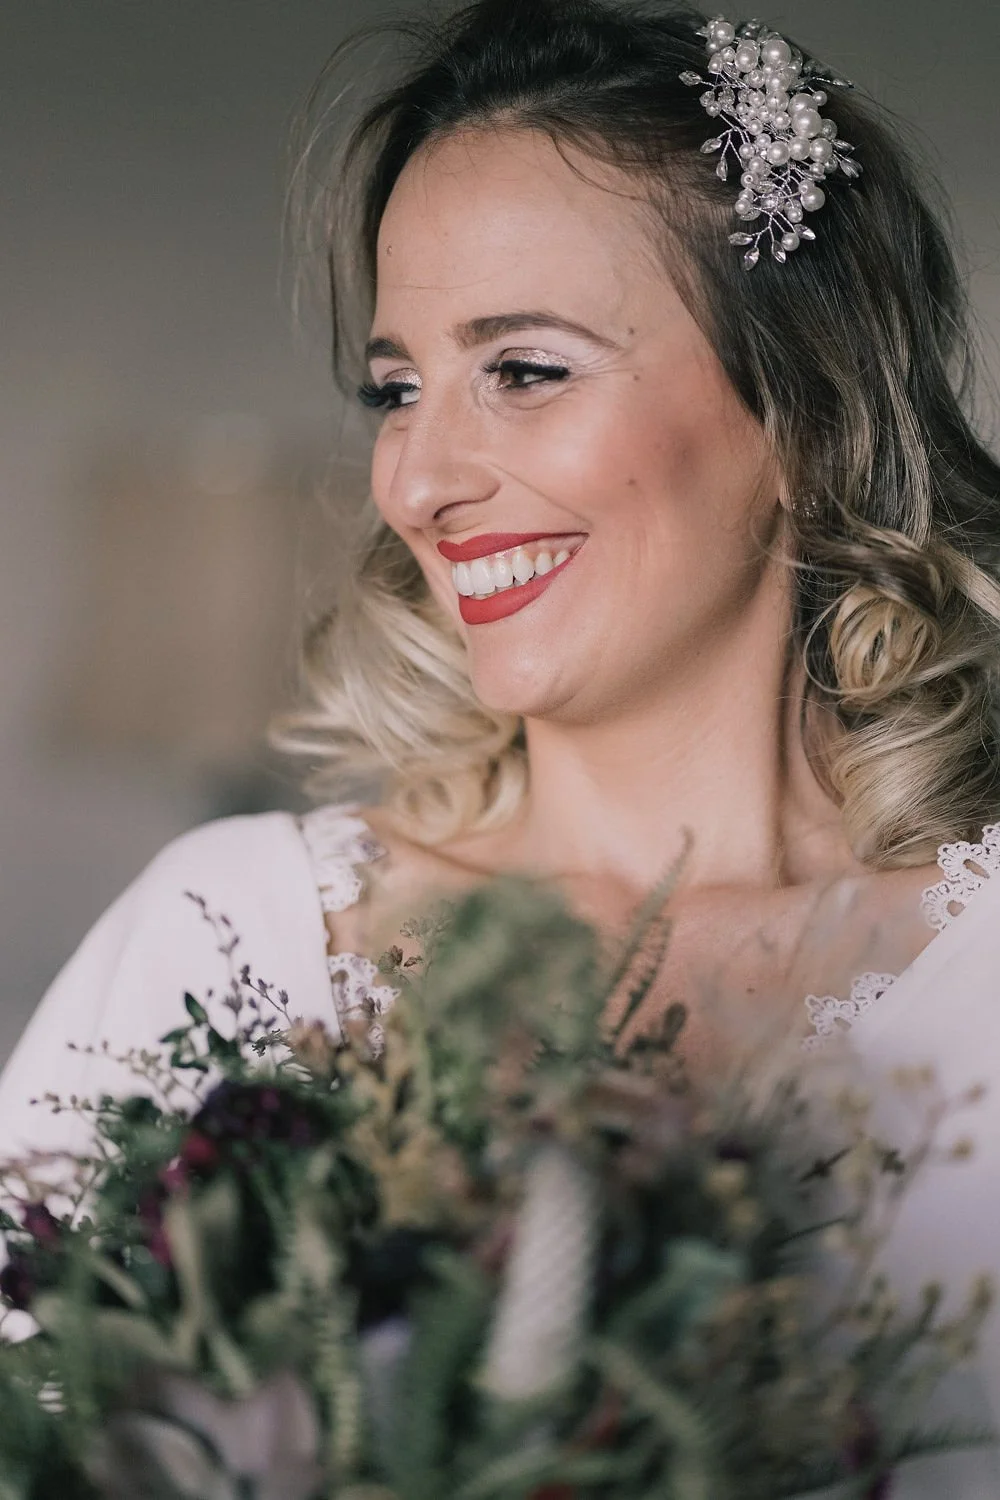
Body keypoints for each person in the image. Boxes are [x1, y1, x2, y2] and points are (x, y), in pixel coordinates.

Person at [3, 1, 1000, 1489]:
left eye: (523, 371)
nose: (417, 479)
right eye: (396, 388)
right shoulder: (233, 937)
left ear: (804, 407)